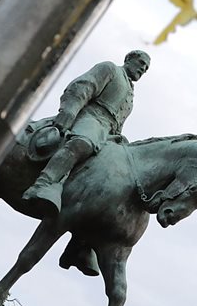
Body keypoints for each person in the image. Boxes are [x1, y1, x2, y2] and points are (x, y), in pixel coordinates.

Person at [22, 50, 150, 216]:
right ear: (129, 59)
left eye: (146, 68)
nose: (143, 69)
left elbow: (118, 122)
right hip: (91, 118)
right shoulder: (110, 69)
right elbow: (84, 85)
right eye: (141, 63)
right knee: (83, 142)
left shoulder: (131, 95)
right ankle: (44, 183)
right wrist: (69, 110)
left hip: (108, 132)